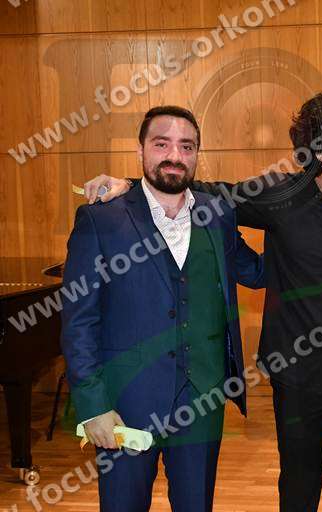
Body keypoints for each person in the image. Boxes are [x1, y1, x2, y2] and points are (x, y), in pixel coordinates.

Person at [82, 92, 322, 512]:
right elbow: (197, 189)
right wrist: (130, 185)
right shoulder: (280, 196)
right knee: (298, 489)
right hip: (298, 375)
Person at [61, 105, 265, 511]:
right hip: (126, 405)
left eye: (186, 146)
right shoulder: (101, 219)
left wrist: (320, 239)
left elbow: (258, 272)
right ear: (141, 150)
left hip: (202, 401)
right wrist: (93, 406)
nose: (175, 155)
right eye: (161, 144)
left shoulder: (218, 214)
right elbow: (79, 320)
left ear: (197, 154)